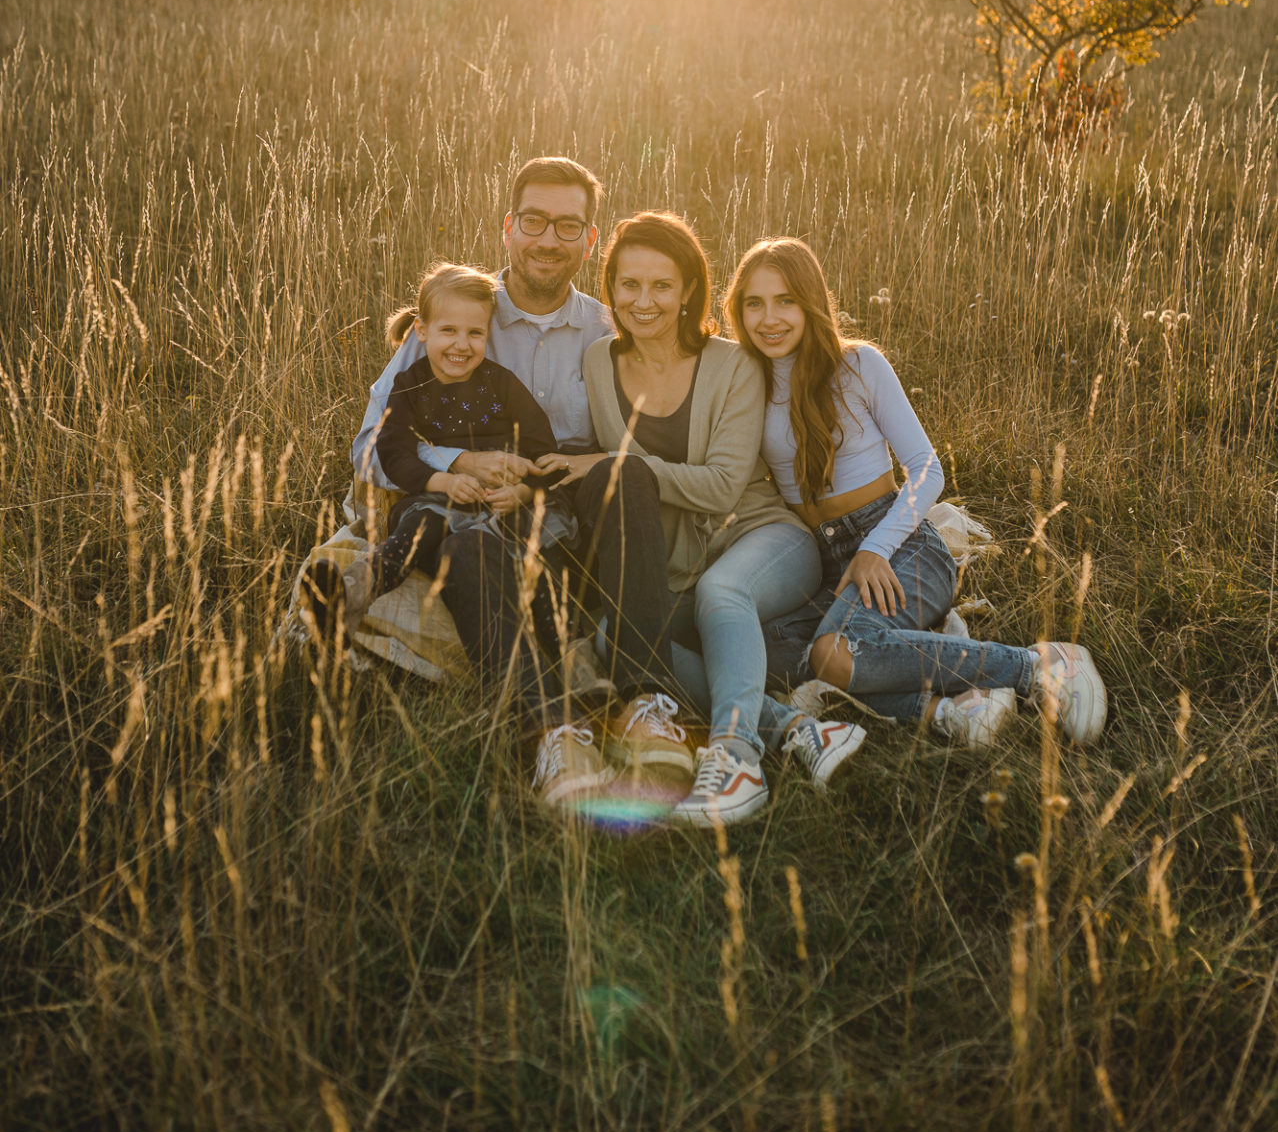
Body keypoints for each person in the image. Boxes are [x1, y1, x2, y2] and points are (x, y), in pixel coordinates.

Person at [348, 156, 701, 811]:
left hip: (566, 519)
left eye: (568, 226)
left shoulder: (608, 328)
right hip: (473, 519)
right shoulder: (457, 317)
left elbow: (638, 440)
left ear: (590, 240)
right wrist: (458, 463)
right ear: (509, 226)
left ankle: (646, 697)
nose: (548, 239)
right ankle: (550, 730)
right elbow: (369, 446)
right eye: (534, 220)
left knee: (626, 476)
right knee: (469, 547)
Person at [541, 213, 867, 829]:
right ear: (610, 288)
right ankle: (800, 731)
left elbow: (721, 487)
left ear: (690, 289)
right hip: (674, 564)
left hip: (761, 538)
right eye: (628, 285)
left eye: (662, 286)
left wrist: (614, 463)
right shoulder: (596, 362)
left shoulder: (732, 364)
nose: (644, 302)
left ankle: (737, 755)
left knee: (723, 592)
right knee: (622, 641)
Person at [726, 238, 1108, 746]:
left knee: (834, 653)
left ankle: (1037, 665)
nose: (769, 318)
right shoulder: (746, 381)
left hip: (899, 543)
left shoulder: (857, 365)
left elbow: (927, 469)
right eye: (754, 303)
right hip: (822, 560)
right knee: (762, 650)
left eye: (785, 301)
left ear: (811, 302)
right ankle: (954, 706)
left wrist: (873, 549)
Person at [304, 265, 561, 636]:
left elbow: (543, 450)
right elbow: (393, 451)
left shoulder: (501, 383)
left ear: (488, 334)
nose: (462, 344)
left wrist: (521, 491)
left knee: (539, 563)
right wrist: (442, 482)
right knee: (414, 532)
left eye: (475, 333)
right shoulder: (410, 386)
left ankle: (565, 652)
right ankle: (349, 594)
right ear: (422, 331)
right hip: (437, 503)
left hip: (504, 505)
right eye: (448, 331)